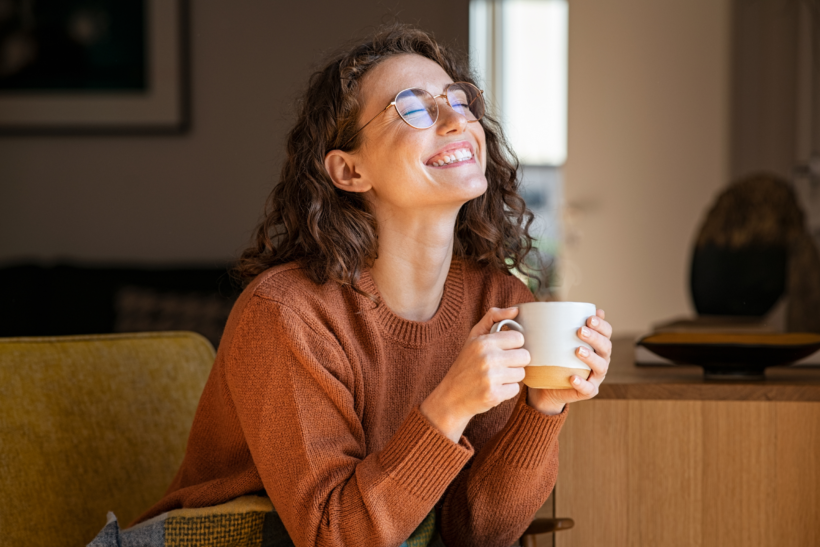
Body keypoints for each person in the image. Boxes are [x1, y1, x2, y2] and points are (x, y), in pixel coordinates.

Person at [133, 24, 612, 547]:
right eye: (413, 107)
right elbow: (330, 537)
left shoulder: (499, 302)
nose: (456, 120)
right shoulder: (287, 313)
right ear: (349, 170)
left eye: (460, 100)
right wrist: (449, 405)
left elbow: (471, 534)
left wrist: (542, 407)